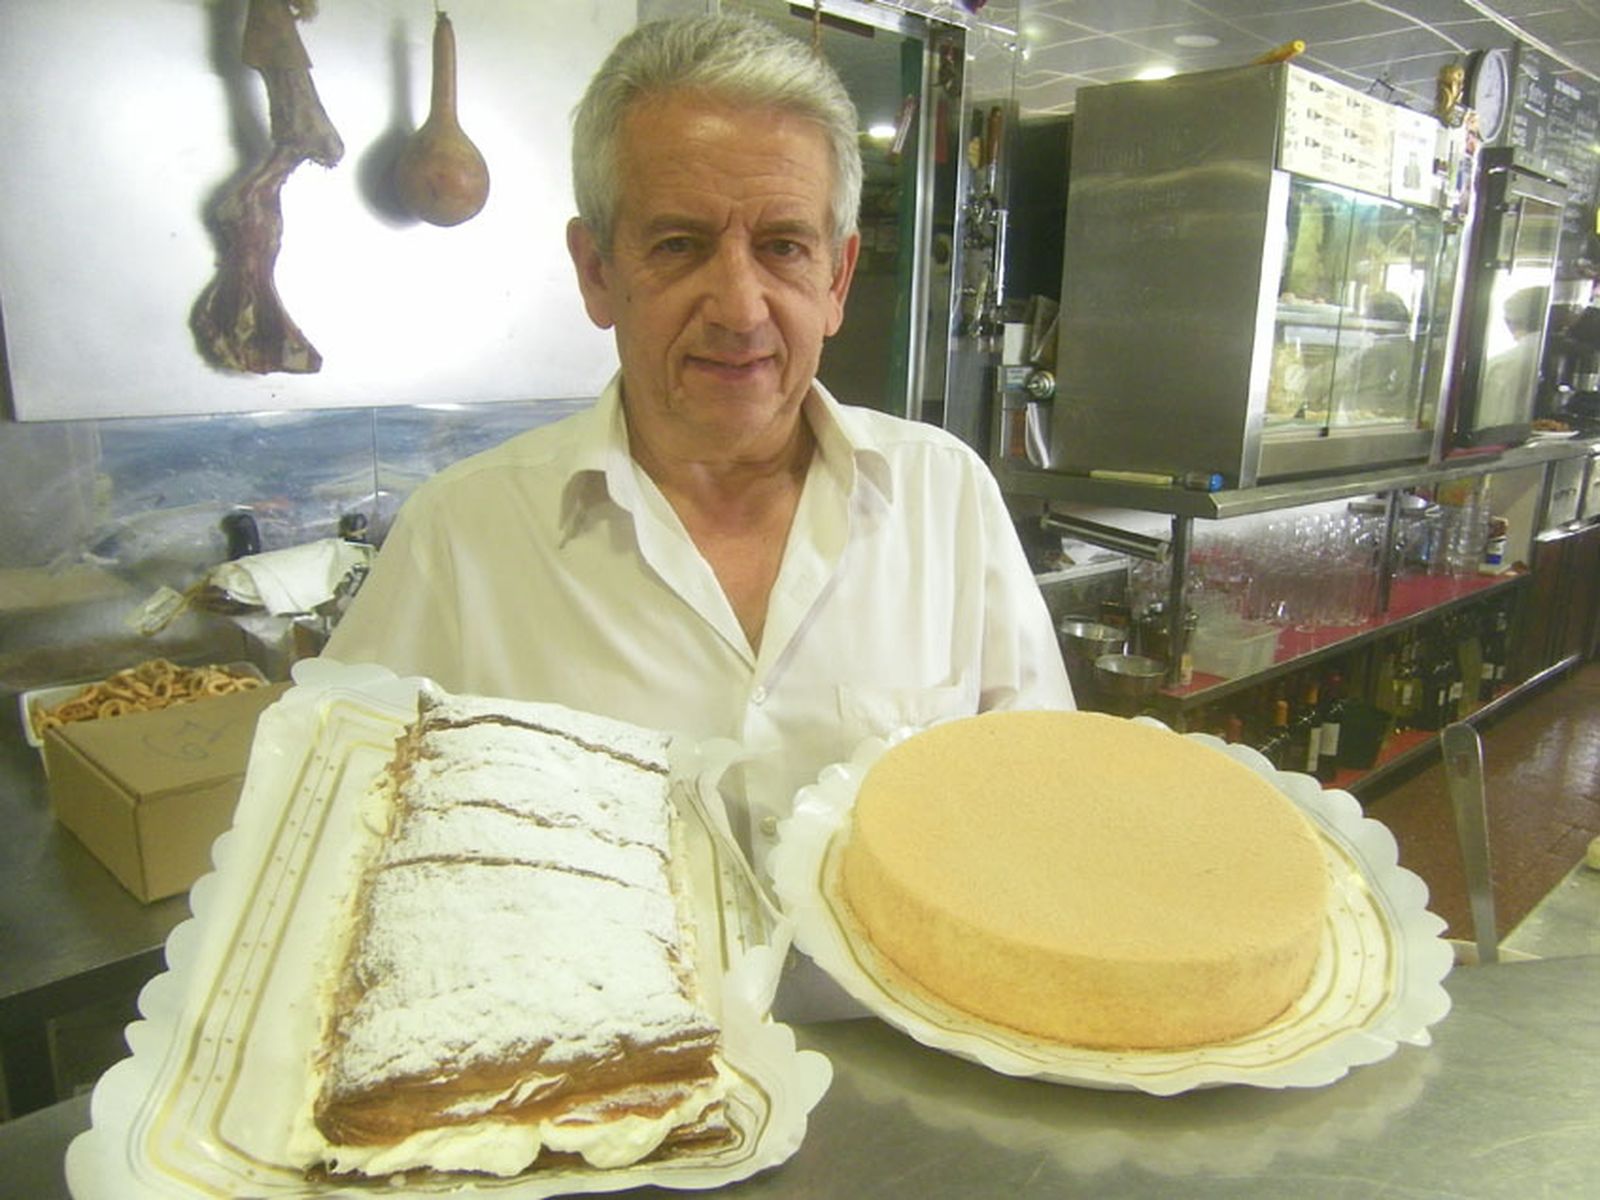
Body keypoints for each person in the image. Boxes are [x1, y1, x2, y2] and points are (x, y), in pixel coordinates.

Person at [324, 12, 1072, 869]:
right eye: (679, 245)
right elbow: (342, 847)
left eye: (784, 246)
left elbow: (1037, 810)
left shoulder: (946, 501)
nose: (740, 308)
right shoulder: (461, 538)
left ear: (837, 278)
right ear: (597, 272)